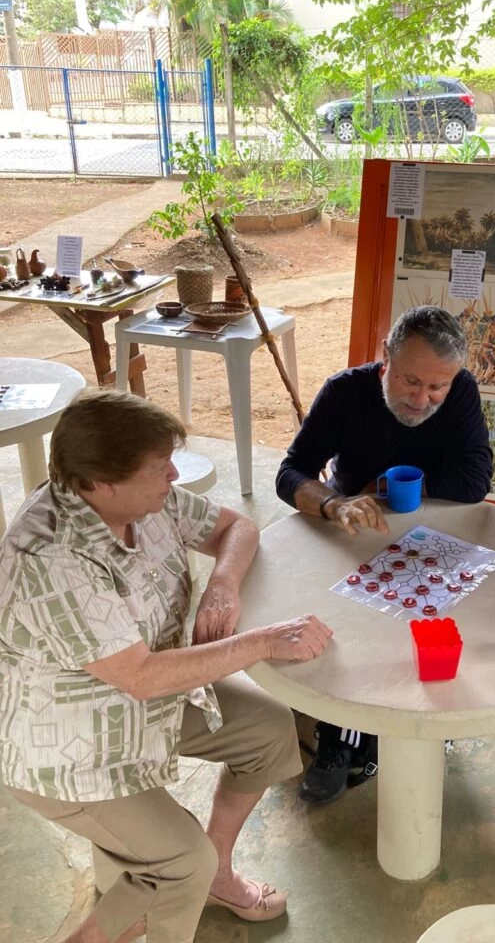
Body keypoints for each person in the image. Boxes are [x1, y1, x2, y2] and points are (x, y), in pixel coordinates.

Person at [0, 390, 333, 943]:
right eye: (159, 468)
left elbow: (237, 529)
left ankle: (217, 875)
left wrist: (222, 586)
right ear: (102, 483)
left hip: (148, 702)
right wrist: (265, 642)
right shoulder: (51, 556)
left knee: (268, 730)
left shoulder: (145, 502)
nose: (173, 475)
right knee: (181, 862)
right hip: (71, 750)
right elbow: (142, 676)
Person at [276, 305, 493, 803]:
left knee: (435, 629)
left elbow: (476, 479)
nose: (422, 400)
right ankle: (339, 736)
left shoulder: (461, 391)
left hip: (434, 537)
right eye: (410, 382)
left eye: (436, 387)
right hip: (354, 532)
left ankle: (419, 722)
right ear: (385, 360)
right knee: (352, 630)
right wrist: (333, 503)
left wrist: (392, 487)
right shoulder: (345, 391)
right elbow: (290, 473)